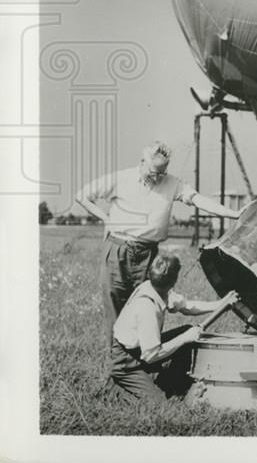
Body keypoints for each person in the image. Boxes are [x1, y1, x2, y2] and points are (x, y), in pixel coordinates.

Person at [75, 141, 240, 346]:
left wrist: (234, 214)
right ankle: (118, 369)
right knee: (116, 314)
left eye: (161, 173)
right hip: (118, 251)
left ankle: (147, 363)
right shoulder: (121, 178)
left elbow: (199, 200)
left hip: (148, 255)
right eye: (153, 172)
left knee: (151, 308)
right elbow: (82, 195)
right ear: (141, 163)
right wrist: (106, 218)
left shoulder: (172, 183)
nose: (156, 178)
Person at [110, 253, 220, 401]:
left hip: (140, 352)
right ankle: (118, 387)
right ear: (174, 281)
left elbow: (187, 306)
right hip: (126, 362)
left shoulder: (154, 288)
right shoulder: (147, 307)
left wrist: (219, 305)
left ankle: (173, 385)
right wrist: (185, 338)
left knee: (186, 331)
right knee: (160, 403)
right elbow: (150, 355)